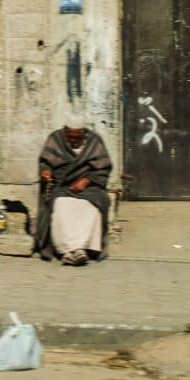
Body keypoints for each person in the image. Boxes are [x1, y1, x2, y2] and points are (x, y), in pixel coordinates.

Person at [34, 113, 112, 266]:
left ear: (84, 133)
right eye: (70, 137)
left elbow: (104, 168)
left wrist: (87, 180)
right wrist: (45, 172)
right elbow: (44, 163)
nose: (73, 140)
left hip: (89, 187)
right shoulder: (55, 139)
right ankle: (67, 251)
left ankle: (81, 249)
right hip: (61, 186)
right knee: (61, 205)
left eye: (77, 137)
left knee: (92, 206)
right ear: (65, 131)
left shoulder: (94, 141)